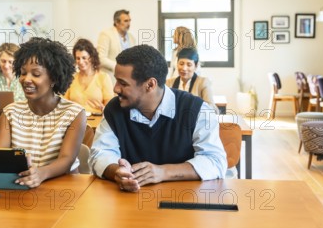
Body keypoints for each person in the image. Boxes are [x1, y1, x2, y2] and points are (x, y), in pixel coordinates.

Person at [89, 44, 227, 192]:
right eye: (116, 81)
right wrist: (117, 171)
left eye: (123, 83)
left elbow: (215, 161)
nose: (115, 88)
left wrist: (163, 172)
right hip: (131, 202)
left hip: (185, 202)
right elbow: (100, 153)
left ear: (150, 84)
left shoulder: (197, 110)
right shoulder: (114, 109)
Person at [0, 37, 86, 188]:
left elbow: (67, 159)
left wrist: (41, 173)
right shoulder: (10, 113)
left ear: (54, 78)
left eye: (36, 74)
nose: (26, 79)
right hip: (22, 186)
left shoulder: (74, 113)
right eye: (23, 73)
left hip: (64, 188)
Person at [65, 38, 114, 115]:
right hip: (75, 122)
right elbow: (64, 104)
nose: (80, 62)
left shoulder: (103, 77)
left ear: (91, 57)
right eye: (78, 58)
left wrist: (104, 108)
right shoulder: (71, 79)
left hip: (97, 122)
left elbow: (111, 107)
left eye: (84, 58)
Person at [166, 47, 218, 113]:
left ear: (195, 66)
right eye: (181, 64)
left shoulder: (203, 82)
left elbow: (212, 108)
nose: (184, 68)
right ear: (177, 64)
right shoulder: (168, 83)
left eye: (189, 65)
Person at [97, 10, 136, 79]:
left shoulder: (132, 37)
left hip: (128, 78)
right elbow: (101, 58)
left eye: (129, 21)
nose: (129, 24)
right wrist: (119, 67)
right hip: (110, 78)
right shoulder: (106, 35)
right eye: (126, 21)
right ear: (117, 22)